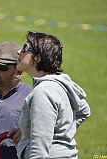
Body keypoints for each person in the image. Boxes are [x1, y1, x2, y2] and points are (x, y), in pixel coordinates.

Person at [15, 31, 91, 159]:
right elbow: (84, 110)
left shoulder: (43, 93)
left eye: (24, 48)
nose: (19, 52)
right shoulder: (60, 85)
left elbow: (39, 153)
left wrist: (53, 137)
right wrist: (32, 131)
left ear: (38, 58)